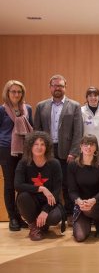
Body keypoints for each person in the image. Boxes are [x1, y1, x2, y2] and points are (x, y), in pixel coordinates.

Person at [34, 74, 83, 217]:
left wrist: (74, 152)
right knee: (47, 183)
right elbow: (37, 131)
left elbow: (78, 131)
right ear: (50, 87)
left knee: (67, 184)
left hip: (66, 152)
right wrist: (39, 152)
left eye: (61, 85)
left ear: (65, 87)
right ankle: (48, 212)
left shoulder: (74, 106)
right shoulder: (41, 106)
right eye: (55, 85)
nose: (57, 88)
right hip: (46, 151)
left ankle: (68, 213)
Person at [14, 131, 65, 241]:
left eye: (42, 144)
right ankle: (34, 226)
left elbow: (56, 191)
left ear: (47, 147)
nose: (39, 147)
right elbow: (18, 185)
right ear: (30, 146)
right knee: (22, 196)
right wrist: (41, 188)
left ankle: (41, 224)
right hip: (31, 202)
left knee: (55, 217)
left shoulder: (54, 164)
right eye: (36, 144)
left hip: (49, 202)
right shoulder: (23, 163)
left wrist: (45, 210)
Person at [0, 80, 33, 231]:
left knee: (21, 183)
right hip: (6, 149)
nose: (16, 94)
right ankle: (12, 217)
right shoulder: (2, 110)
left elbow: (31, 129)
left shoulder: (28, 109)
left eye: (19, 92)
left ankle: (20, 216)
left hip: (24, 150)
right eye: (13, 91)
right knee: (9, 184)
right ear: (7, 93)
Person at [68, 134, 99, 242]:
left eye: (92, 144)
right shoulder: (73, 165)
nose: (88, 147)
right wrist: (78, 201)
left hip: (98, 203)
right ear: (81, 147)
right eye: (85, 144)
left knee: (90, 208)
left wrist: (93, 200)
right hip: (81, 204)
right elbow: (72, 191)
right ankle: (88, 221)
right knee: (80, 237)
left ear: (96, 148)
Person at [81, 87, 99, 159]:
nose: (93, 98)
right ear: (87, 98)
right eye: (90, 96)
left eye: (95, 95)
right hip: (86, 146)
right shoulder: (81, 111)